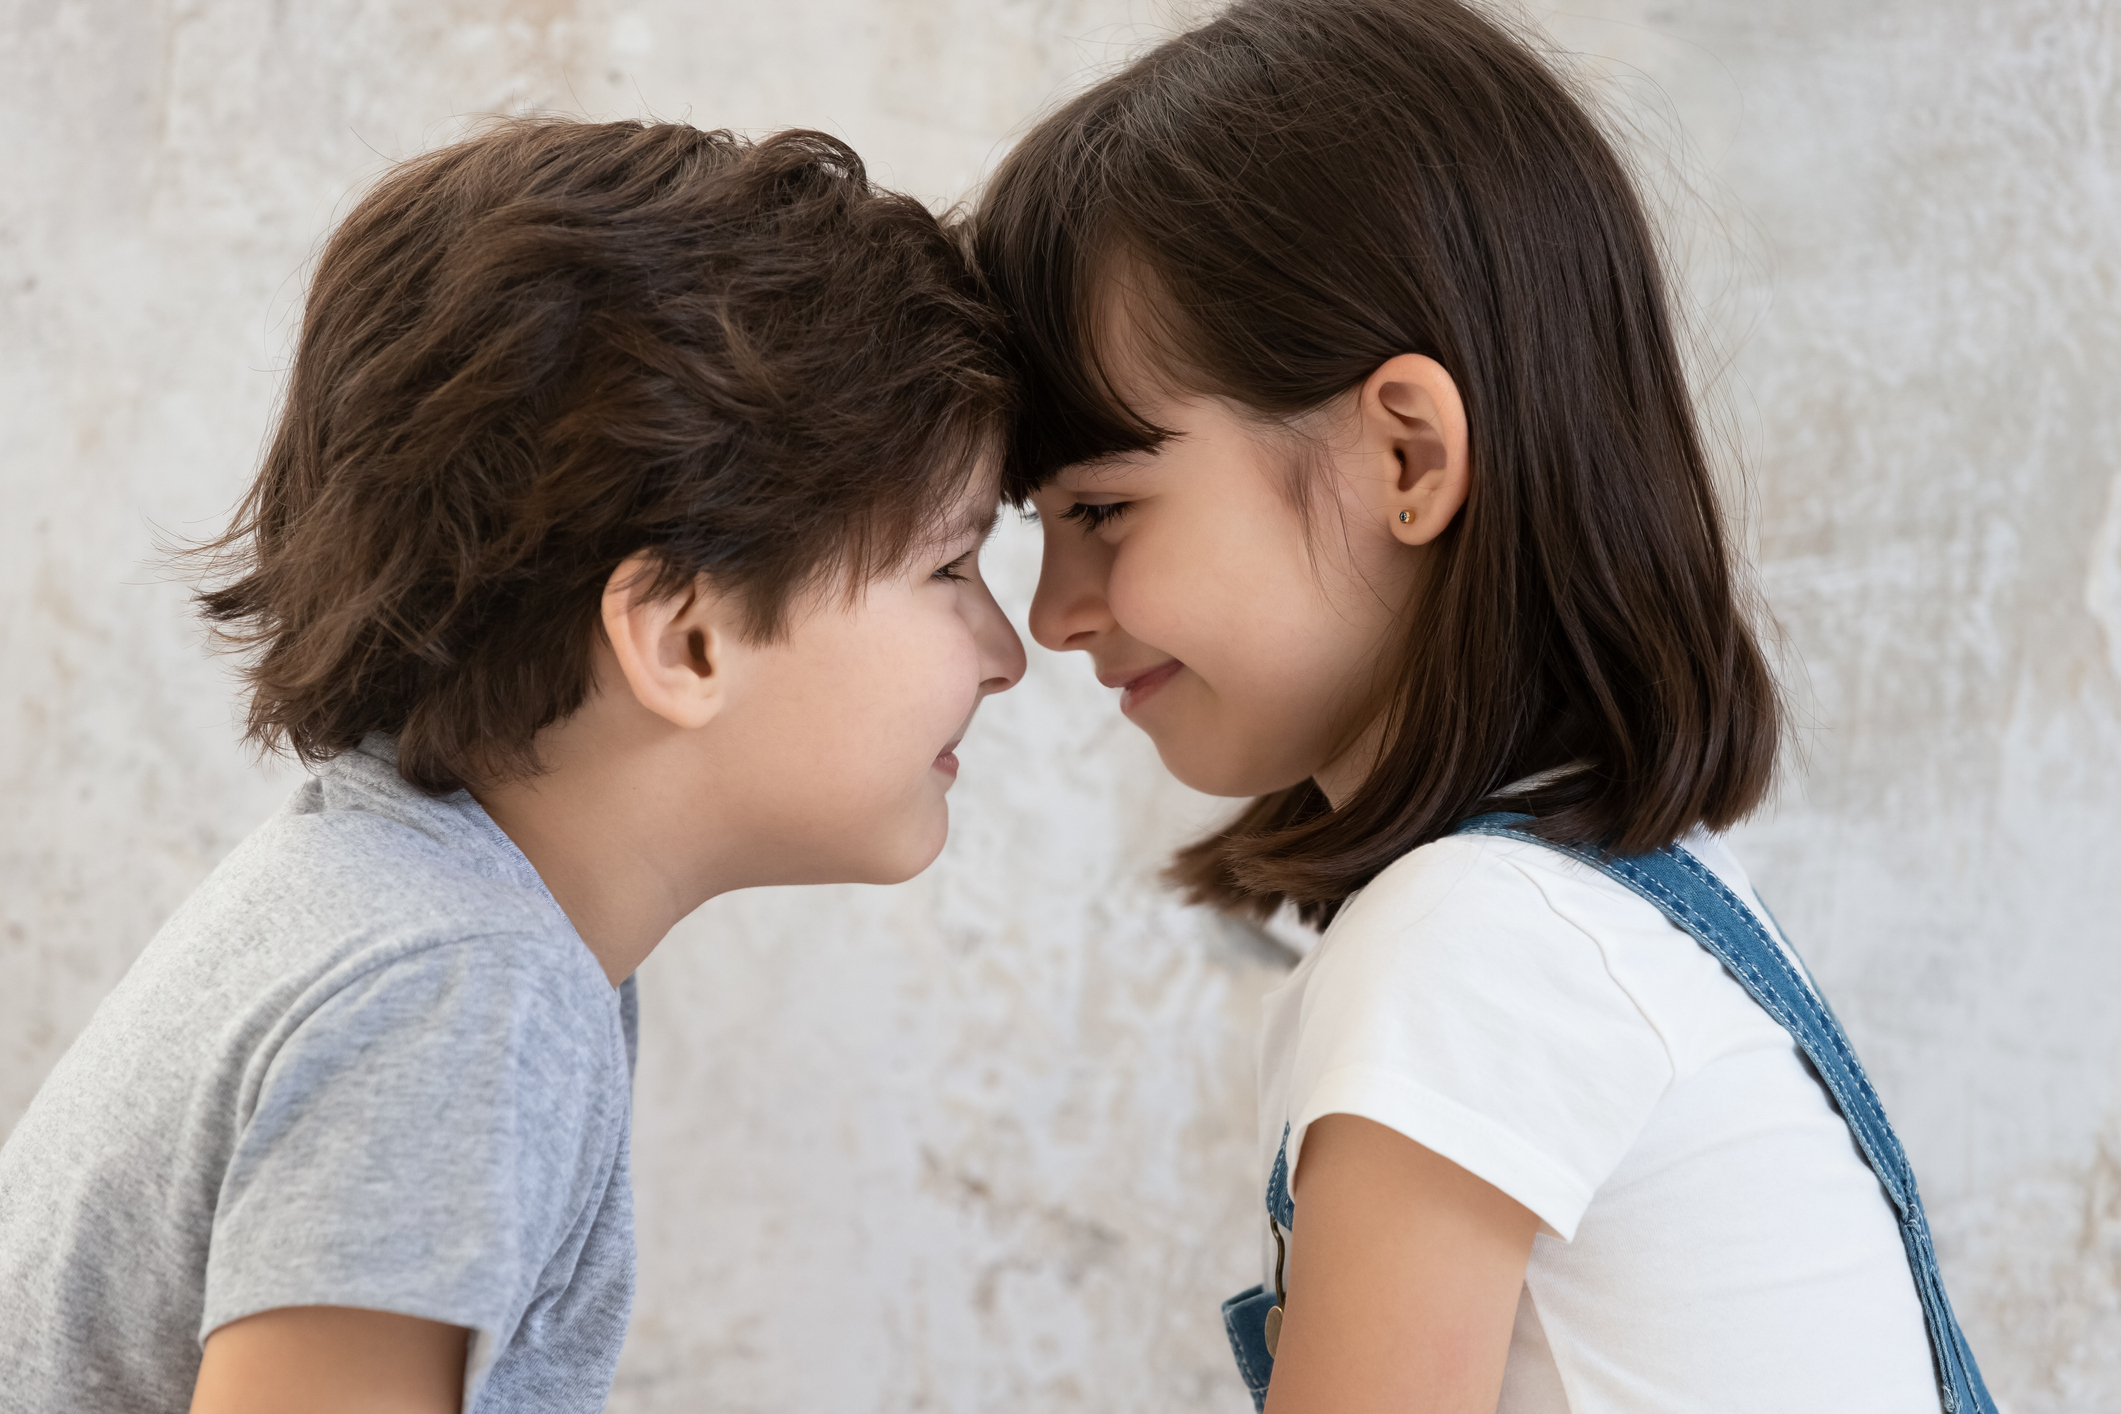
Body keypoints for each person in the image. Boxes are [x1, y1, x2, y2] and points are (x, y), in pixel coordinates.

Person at [974, 2, 1992, 1411]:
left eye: (1100, 510)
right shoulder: (1617, 913)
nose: (1054, 613)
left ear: (1407, 453)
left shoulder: (1473, 948)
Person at [0, 118, 1023, 1413]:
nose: (1005, 651)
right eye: (951, 568)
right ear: (684, 635)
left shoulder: (427, 908)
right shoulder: (458, 987)